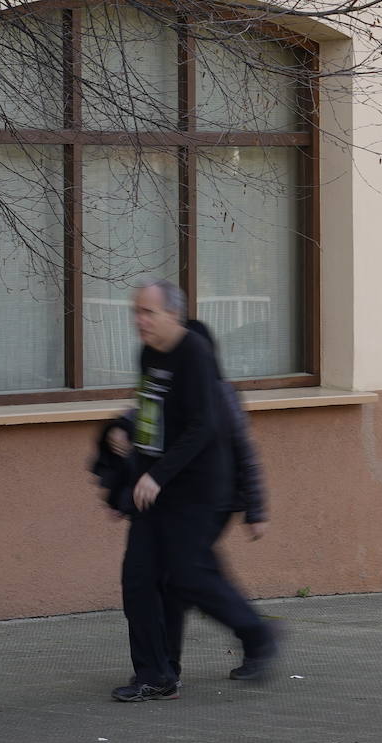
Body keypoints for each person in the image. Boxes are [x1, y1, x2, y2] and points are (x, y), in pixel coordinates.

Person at [106, 279, 278, 702]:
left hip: (198, 491)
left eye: (148, 312)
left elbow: (204, 427)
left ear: (172, 314)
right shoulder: (148, 353)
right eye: (136, 312)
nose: (139, 321)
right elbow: (150, 414)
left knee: (187, 574)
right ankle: (155, 676)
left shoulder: (195, 354)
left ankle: (258, 634)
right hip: (154, 492)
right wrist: (129, 451)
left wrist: (158, 476)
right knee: (139, 579)